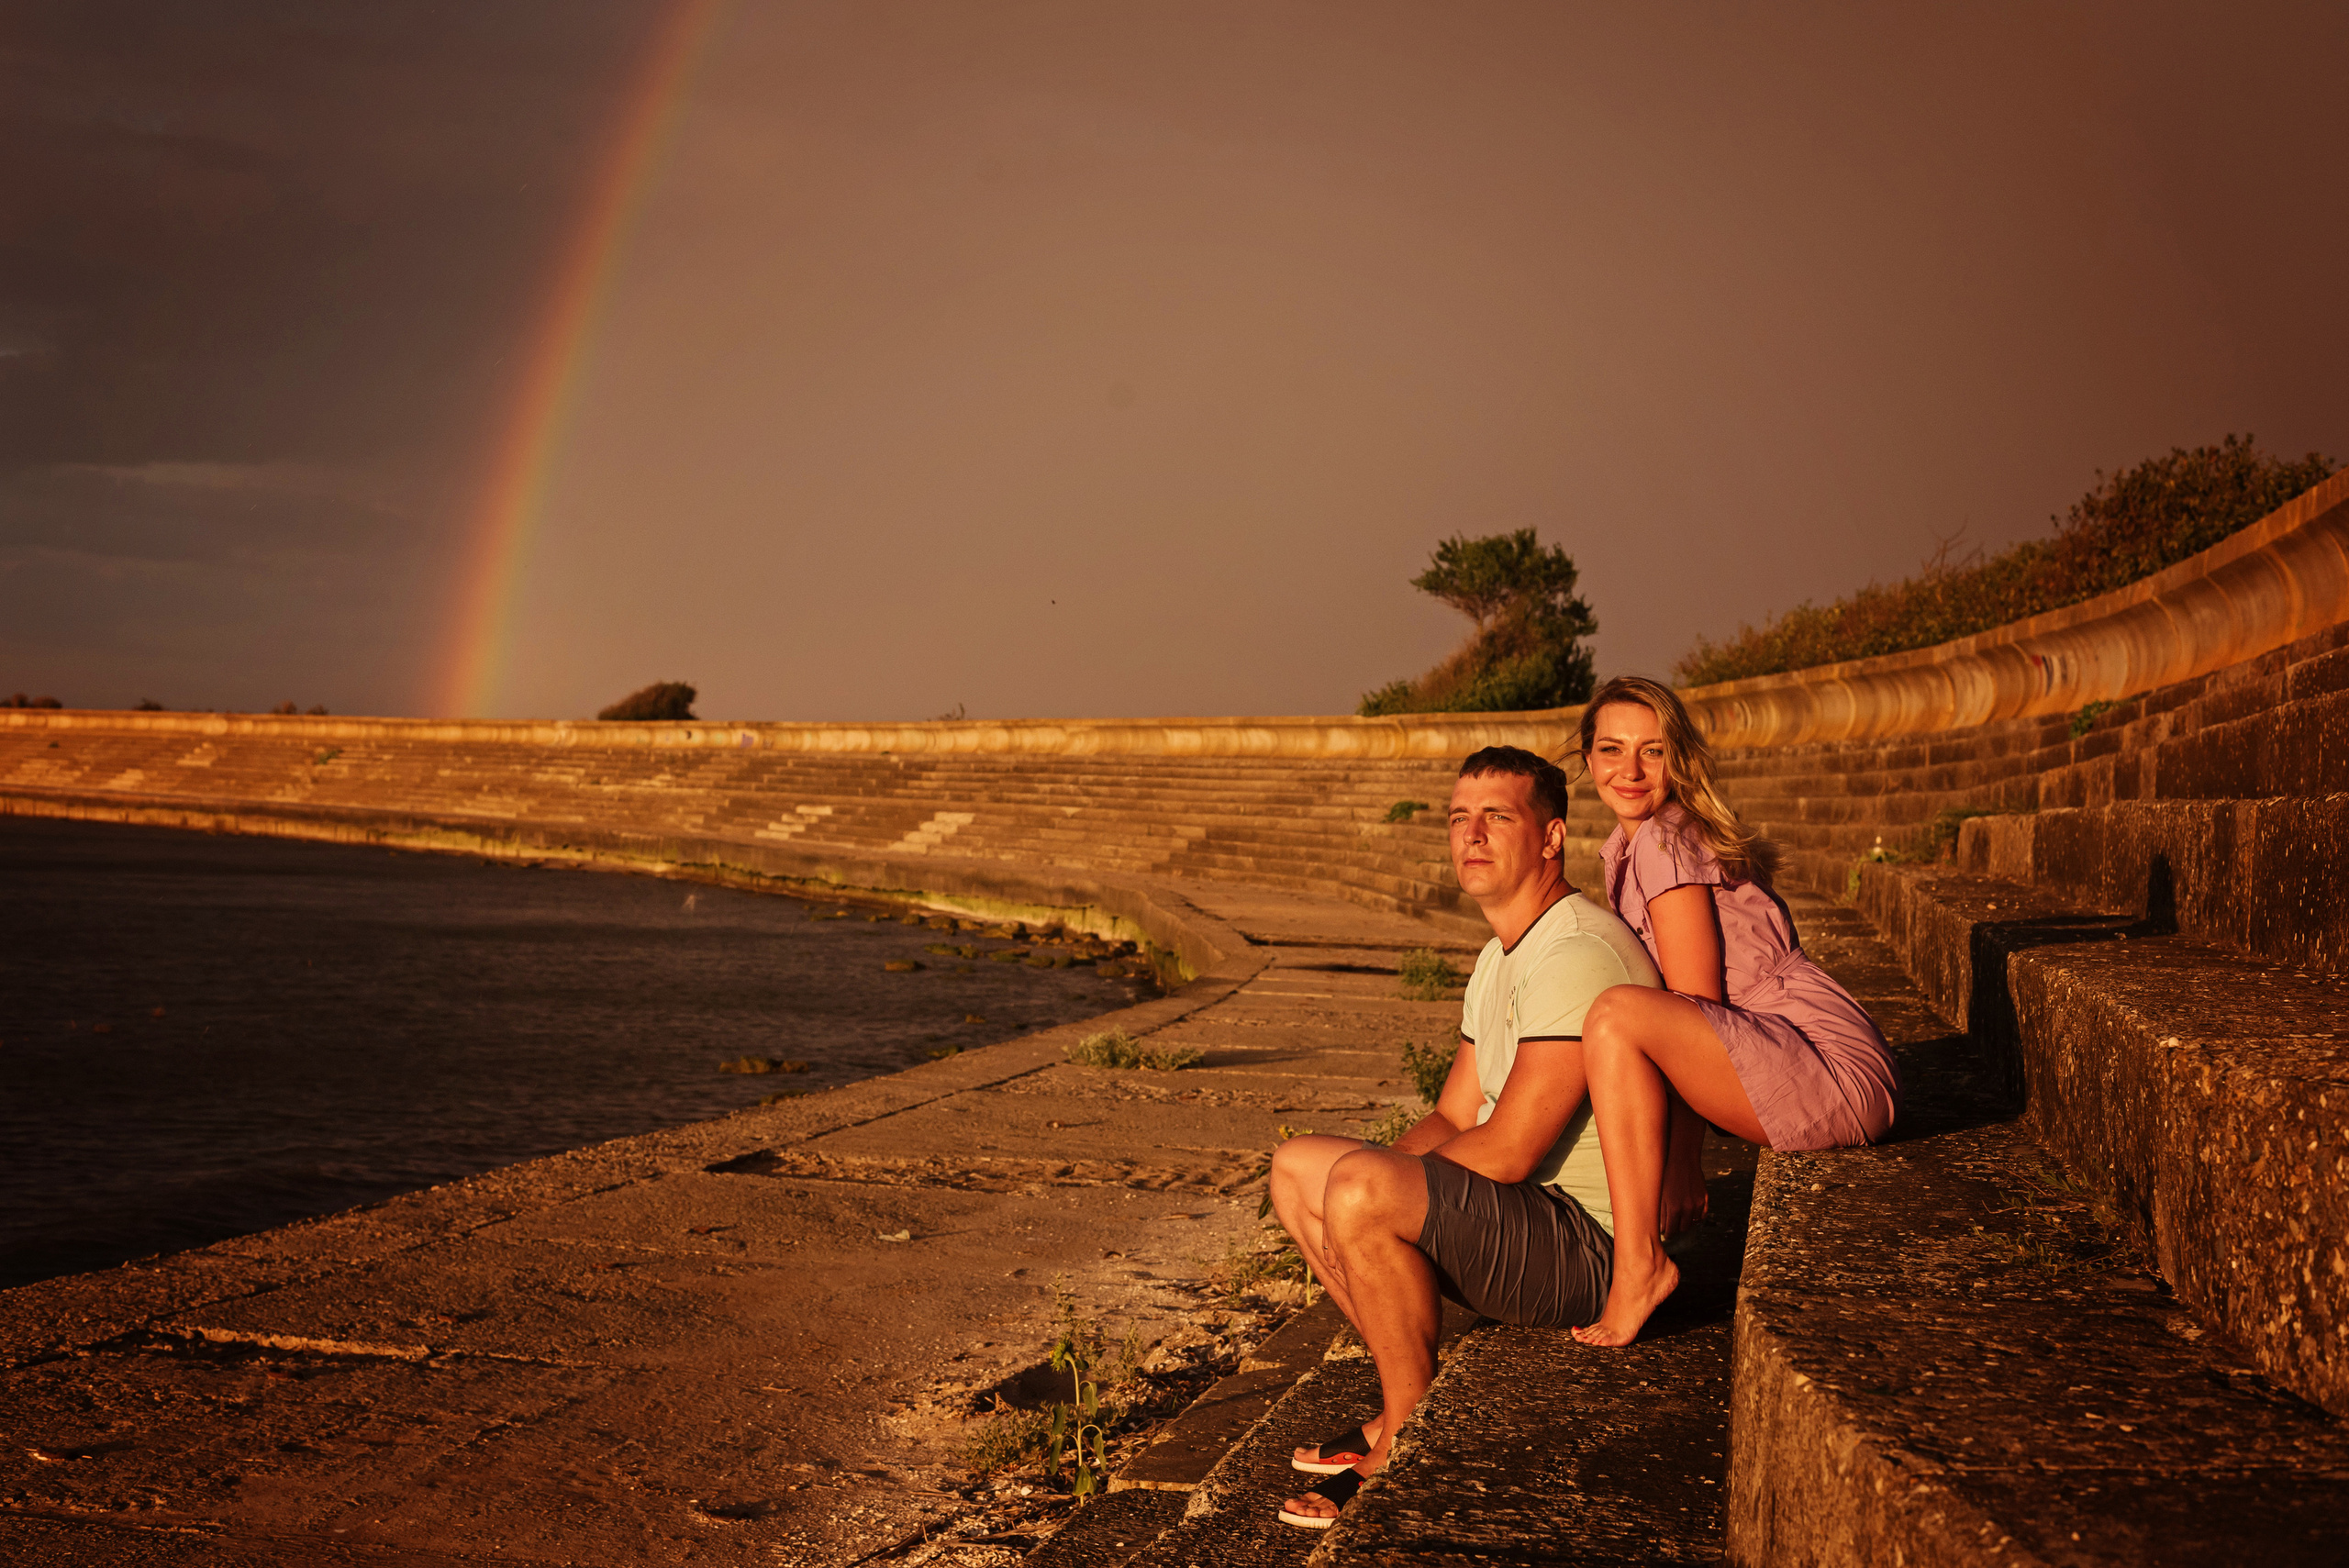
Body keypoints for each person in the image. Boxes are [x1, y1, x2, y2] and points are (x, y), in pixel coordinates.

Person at [1264, 745, 1661, 1529]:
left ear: (1550, 838)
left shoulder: (1575, 950)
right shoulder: (1500, 954)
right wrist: (1358, 1184)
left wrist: (1369, 1194)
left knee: (1355, 1188)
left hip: (1588, 1249)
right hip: (1527, 1217)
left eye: (1496, 818)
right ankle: (1401, 1389)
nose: (1471, 835)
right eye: (1458, 819)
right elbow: (1453, 1115)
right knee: (1297, 1167)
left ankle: (1408, 1433)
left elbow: (1510, 1147)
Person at [1566, 674, 1902, 1349]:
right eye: (1611, 749)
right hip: (1799, 1049)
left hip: (1826, 1064)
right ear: (1587, 760)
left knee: (1613, 1016)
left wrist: (1685, 1161)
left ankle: (1639, 1265)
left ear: (1679, 758)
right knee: (1616, 1016)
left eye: (1653, 751)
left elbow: (1695, 1004)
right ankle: (1629, 1251)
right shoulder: (1636, 845)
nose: (1629, 770)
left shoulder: (1664, 840)